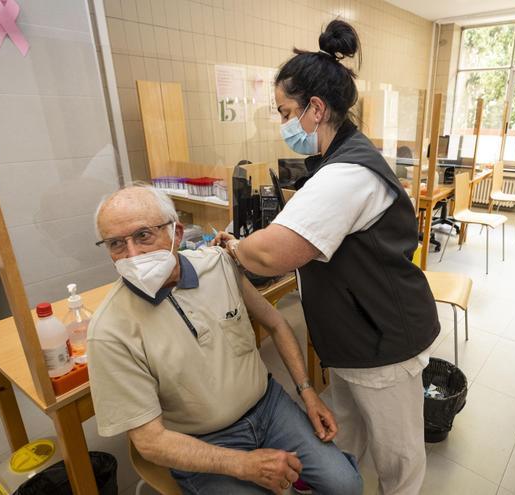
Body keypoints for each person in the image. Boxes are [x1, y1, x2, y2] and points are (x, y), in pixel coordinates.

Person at [213, 20, 440, 494]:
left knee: (399, 457)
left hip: (383, 339)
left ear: (315, 109)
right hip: (354, 337)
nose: (283, 124)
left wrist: (236, 247)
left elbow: (274, 252)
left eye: (284, 112)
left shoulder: (348, 174)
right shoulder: (340, 160)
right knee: (350, 435)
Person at [87, 185, 362, 494]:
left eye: (143, 236)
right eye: (116, 244)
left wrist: (308, 392)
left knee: (345, 485)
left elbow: (277, 324)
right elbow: (149, 442)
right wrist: (243, 465)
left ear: (176, 233)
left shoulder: (218, 265)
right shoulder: (109, 332)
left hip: (269, 408)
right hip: (203, 441)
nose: (132, 254)